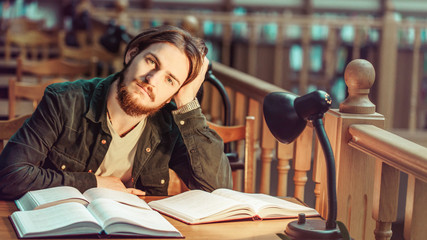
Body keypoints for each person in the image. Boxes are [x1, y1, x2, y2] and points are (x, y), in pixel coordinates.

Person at [0, 25, 233, 200]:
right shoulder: (64, 101)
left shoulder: (169, 124)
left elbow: (217, 192)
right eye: (152, 62)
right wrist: (93, 183)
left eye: (170, 80)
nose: (152, 80)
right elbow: (9, 177)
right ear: (132, 55)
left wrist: (188, 103)